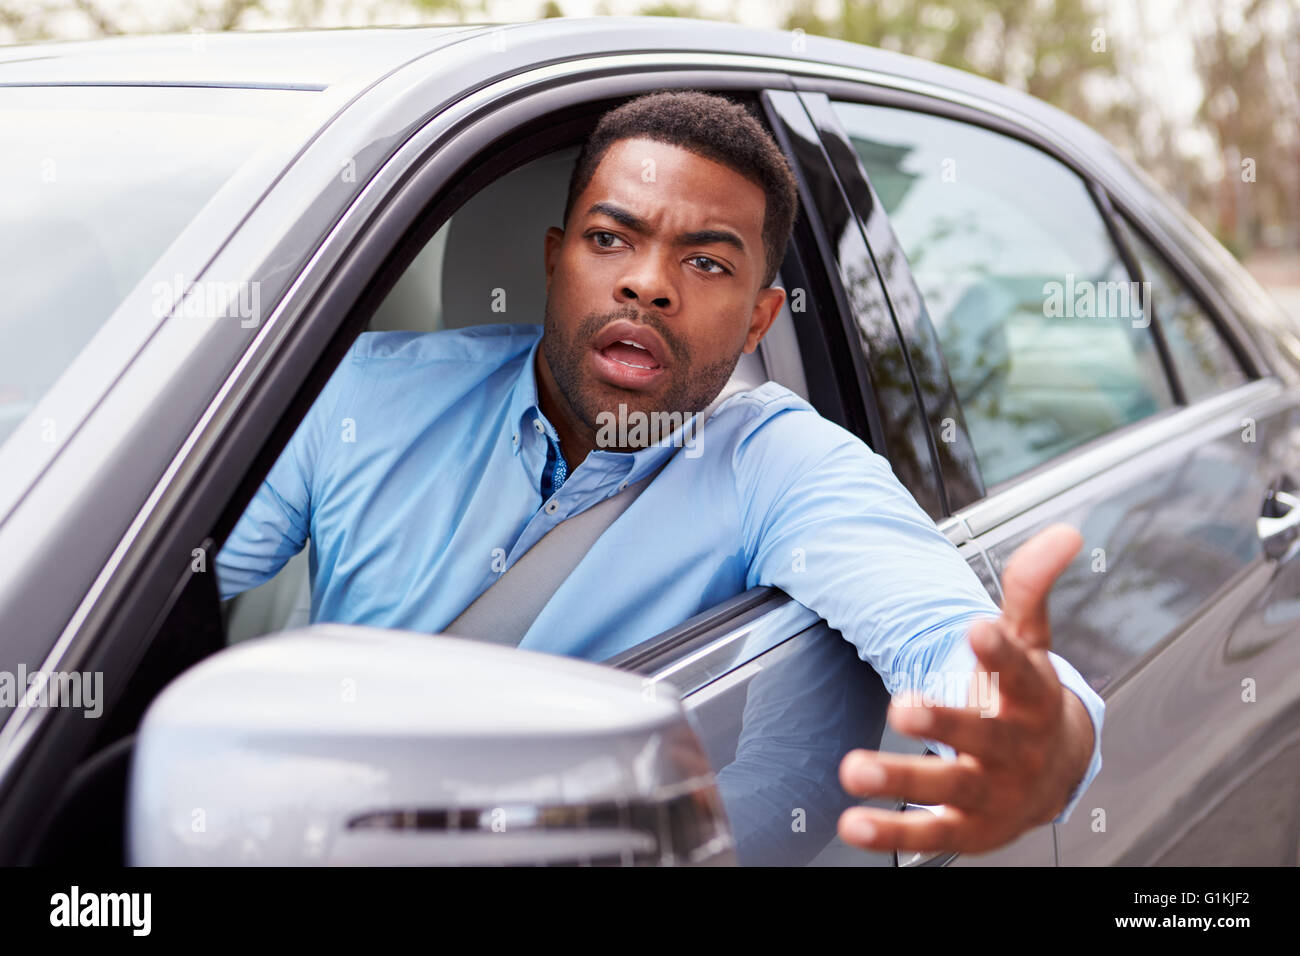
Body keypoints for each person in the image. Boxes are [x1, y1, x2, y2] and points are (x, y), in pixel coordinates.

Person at [216, 90, 1103, 859]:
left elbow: (949, 642)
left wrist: (1037, 743)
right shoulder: (364, 394)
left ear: (759, 322)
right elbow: (154, 588)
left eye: (706, 261)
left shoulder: (780, 465)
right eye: (611, 239)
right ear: (556, 258)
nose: (647, 284)